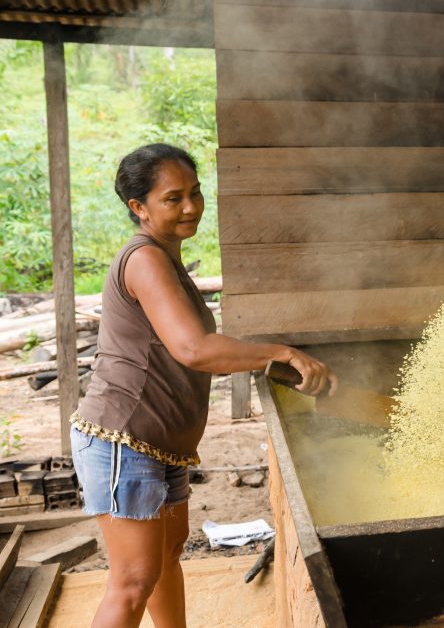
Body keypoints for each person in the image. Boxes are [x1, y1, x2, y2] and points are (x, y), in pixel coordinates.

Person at [69, 144, 338, 628]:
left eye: (195, 193)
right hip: (123, 441)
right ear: (139, 207)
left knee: (167, 559)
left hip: (161, 446)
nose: (191, 207)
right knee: (132, 583)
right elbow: (194, 349)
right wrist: (282, 352)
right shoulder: (144, 259)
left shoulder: (166, 260)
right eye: (173, 199)